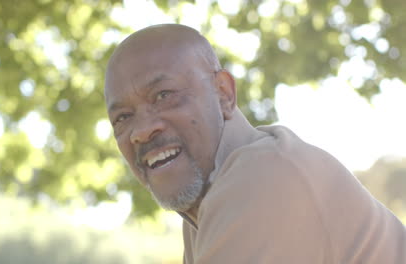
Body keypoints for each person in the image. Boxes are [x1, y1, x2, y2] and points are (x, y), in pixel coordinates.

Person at [104, 24, 406, 263]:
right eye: (122, 118)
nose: (140, 131)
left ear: (223, 93)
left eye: (163, 95)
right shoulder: (208, 208)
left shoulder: (260, 177)